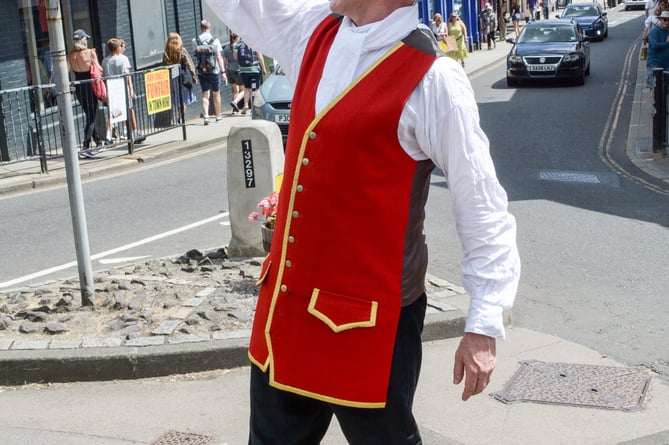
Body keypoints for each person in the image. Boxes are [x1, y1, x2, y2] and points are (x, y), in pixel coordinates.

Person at [208, 0, 521, 443]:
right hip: (288, 314)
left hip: (370, 328)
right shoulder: (315, 29)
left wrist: (484, 323)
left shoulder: (434, 80)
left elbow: (482, 204)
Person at [66, 29, 103, 158]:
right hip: (91, 85)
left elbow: (66, 72)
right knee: (92, 116)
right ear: (82, 40)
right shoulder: (90, 53)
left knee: (89, 114)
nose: (87, 40)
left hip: (79, 87)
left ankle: (98, 141)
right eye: (85, 38)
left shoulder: (70, 55)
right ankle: (86, 146)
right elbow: (99, 69)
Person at [102, 38, 146, 144]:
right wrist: (131, 89)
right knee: (130, 110)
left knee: (113, 113)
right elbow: (127, 75)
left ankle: (108, 136)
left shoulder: (105, 61)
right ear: (117, 48)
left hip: (111, 89)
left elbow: (104, 75)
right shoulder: (123, 59)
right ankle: (135, 133)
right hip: (121, 88)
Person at [193, 19, 227, 125]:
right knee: (216, 94)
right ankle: (218, 116)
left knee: (205, 94)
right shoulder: (215, 40)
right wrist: (223, 72)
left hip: (202, 71)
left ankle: (206, 116)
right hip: (214, 71)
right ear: (209, 28)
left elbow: (196, 54)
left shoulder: (195, 41)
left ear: (201, 28)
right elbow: (219, 57)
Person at [163, 32, 198, 110]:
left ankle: (180, 115)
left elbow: (165, 64)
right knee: (183, 97)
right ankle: (181, 116)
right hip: (183, 77)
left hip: (173, 78)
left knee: (178, 97)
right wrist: (193, 75)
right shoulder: (182, 50)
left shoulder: (167, 52)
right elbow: (189, 63)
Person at [234, 39, 266, 114]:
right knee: (255, 89)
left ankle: (245, 105)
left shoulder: (238, 43)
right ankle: (254, 107)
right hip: (254, 70)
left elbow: (235, 57)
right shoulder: (254, 42)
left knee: (247, 88)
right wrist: (263, 68)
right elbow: (260, 56)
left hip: (244, 71)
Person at [647, 10, 669, 101]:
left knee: (665, 88)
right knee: (654, 88)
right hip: (654, 64)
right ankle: (656, 110)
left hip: (666, 64)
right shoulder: (654, 32)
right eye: (665, 20)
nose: (667, 22)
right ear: (660, 20)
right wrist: (667, 43)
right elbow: (654, 45)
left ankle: (663, 110)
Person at [223, 32, 245, 114]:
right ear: (237, 38)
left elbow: (224, 60)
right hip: (238, 70)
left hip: (229, 71)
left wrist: (224, 71)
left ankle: (234, 110)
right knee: (244, 90)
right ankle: (235, 102)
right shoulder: (239, 47)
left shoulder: (226, 48)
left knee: (235, 90)